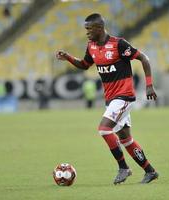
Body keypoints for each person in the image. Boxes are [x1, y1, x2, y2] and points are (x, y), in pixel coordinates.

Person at [56, 13, 158, 184]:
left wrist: (149, 85)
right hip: (111, 99)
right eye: (86, 29)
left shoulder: (118, 44)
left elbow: (143, 58)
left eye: (89, 29)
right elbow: (84, 65)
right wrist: (68, 57)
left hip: (124, 96)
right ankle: (150, 171)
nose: (87, 33)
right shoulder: (91, 46)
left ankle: (123, 168)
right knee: (125, 138)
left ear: (99, 28)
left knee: (104, 129)